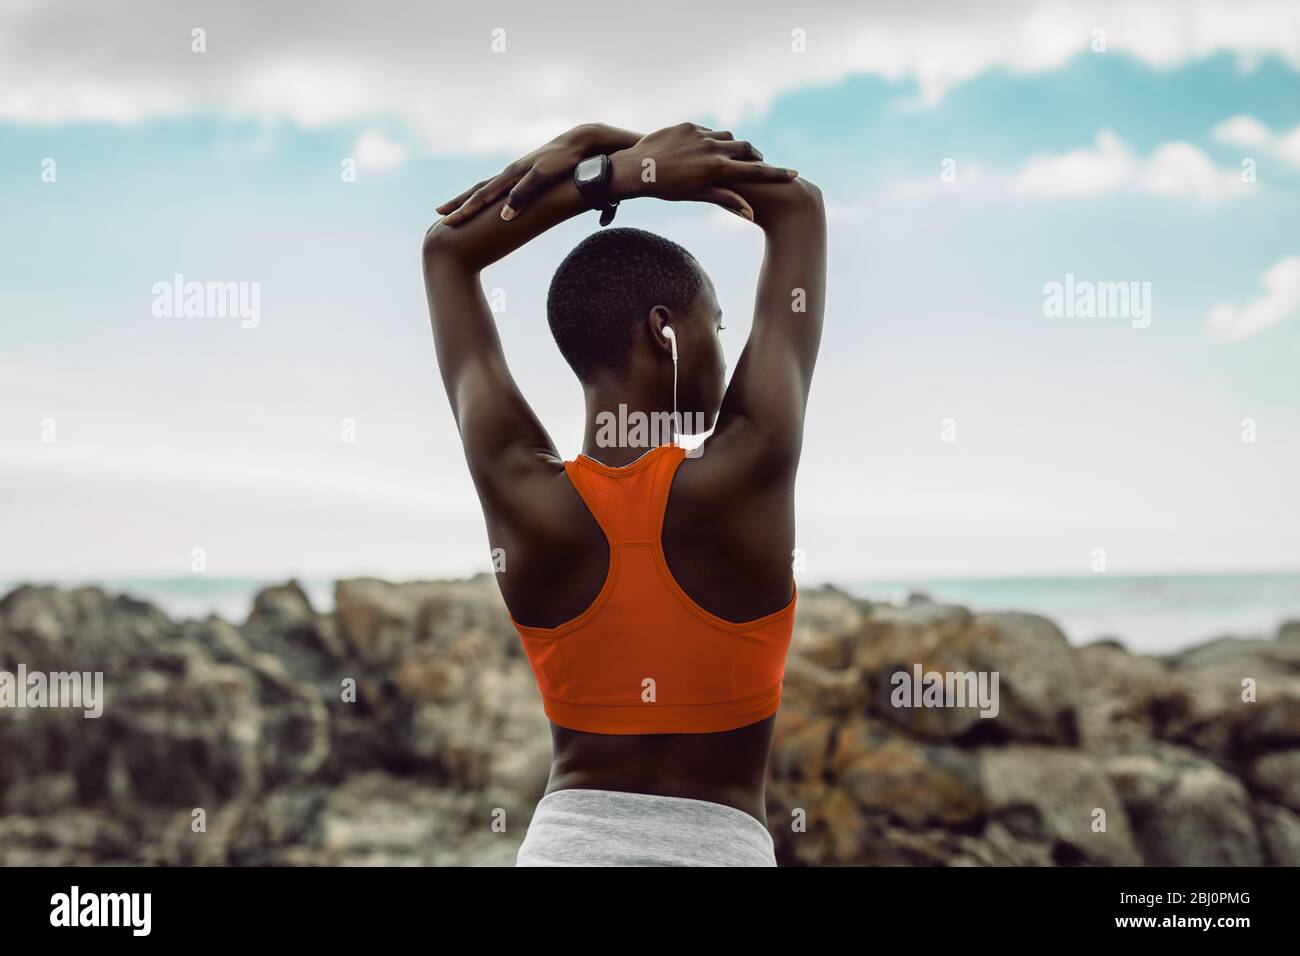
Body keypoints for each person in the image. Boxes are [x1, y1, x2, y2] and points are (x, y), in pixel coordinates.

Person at [422, 122, 825, 866]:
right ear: (666, 333)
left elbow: (447, 254)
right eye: (719, 325)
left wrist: (609, 169)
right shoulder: (748, 473)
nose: (725, 348)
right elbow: (796, 205)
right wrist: (636, 161)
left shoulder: (521, 492)